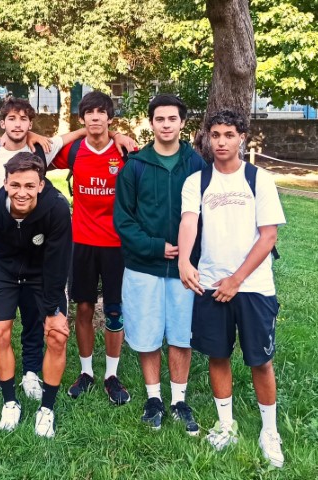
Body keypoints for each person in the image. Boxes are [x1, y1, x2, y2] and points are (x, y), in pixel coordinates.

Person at [178, 110, 286, 467]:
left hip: (253, 286)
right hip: (211, 283)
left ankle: (269, 431)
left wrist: (236, 280)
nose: (221, 142)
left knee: (261, 361)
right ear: (207, 138)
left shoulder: (259, 179)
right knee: (217, 355)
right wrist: (184, 261)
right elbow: (189, 222)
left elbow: (268, 236)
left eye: (228, 135)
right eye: (215, 135)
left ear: (242, 137)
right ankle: (226, 424)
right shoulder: (197, 181)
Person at [0, 97, 92, 399]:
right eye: (12, 118)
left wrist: (114, 134)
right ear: (2, 122)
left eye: (23, 119)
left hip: (36, 250)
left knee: (32, 314)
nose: (17, 124)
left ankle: (31, 371)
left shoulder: (40, 148)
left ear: (31, 123)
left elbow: (76, 134)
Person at [114, 94, 206, 432]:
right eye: (159, 119)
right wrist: (155, 247)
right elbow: (123, 220)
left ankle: (179, 400)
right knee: (147, 334)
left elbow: (205, 216)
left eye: (172, 119)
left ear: (182, 123)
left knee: (181, 334)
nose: (166, 125)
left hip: (186, 268)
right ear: (151, 122)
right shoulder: (135, 166)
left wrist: (188, 255)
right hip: (144, 266)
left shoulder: (196, 164)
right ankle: (154, 398)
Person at [0, 152, 72, 437]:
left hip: (43, 272)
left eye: (30, 186)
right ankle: (10, 402)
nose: (22, 192)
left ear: (41, 185)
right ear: (5, 183)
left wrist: (53, 310)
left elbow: (58, 261)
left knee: (56, 336)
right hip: (5, 269)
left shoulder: (57, 208)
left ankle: (47, 409)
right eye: (15, 185)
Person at [50, 91, 131, 405]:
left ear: (110, 117)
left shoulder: (125, 151)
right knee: (83, 308)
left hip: (116, 244)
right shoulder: (73, 151)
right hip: (81, 241)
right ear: (82, 118)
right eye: (89, 113)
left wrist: (119, 136)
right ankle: (86, 372)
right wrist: (79, 133)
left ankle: (111, 375)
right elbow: (39, 149)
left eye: (101, 112)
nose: (95, 117)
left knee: (114, 311)